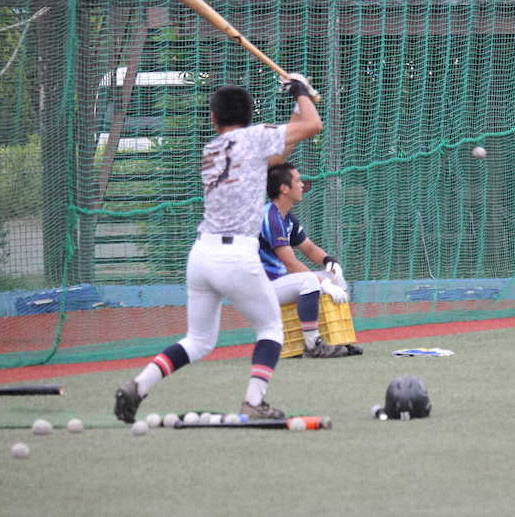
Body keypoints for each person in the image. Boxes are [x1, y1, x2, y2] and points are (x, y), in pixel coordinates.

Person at [114, 74, 323, 423]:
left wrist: (296, 101)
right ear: (250, 115)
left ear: (214, 118)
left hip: (201, 255)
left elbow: (278, 152)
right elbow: (313, 125)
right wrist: (300, 91)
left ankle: (139, 385)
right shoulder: (255, 138)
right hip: (236, 256)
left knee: (198, 341)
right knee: (271, 330)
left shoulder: (212, 149)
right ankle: (254, 402)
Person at [259, 162, 362, 358]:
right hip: (263, 286)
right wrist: (322, 283)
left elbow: (309, 248)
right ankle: (312, 344)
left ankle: (338, 339)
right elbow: (290, 263)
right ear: (284, 189)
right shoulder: (270, 217)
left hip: (279, 283)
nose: (302, 185)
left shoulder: (287, 217)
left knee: (334, 277)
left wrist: (329, 261)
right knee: (309, 282)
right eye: (297, 181)